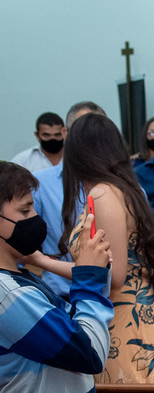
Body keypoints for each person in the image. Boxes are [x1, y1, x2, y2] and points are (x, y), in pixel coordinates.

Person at [39, 114, 154, 384]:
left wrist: (42, 261)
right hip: (129, 314)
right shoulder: (120, 189)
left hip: (125, 321)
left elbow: (113, 276)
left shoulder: (104, 194)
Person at [0, 161, 113, 393]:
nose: (35, 218)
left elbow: (75, 324)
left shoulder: (20, 277)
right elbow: (90, 352)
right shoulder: (6, 294)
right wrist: (88, 277)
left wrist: (88, 271)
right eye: (24, 211)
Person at [31, 101, 106, 299]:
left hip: (112, 295)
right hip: (61, 297)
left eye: (100, 133)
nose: (92, 140)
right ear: (66, 133)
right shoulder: (40, 184)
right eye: (84, 131)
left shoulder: (125, 187)